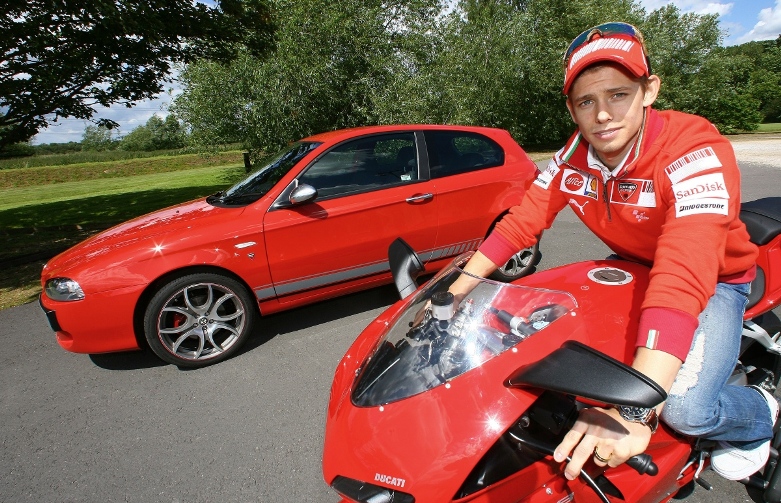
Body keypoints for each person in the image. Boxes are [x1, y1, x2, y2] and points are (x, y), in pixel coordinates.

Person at [448, 22, 777, 481]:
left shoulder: (695, 148)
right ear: (571, 108)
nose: (602, 115)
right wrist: (456, 291)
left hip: (715, 279)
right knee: (546, 344)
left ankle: (760, 412)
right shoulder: (572, 155)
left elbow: (684, 270)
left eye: (618, 94)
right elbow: (524, 221)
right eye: (587, 101)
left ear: (649, 90)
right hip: (631, 267)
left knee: (684, 410)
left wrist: (635, 409)